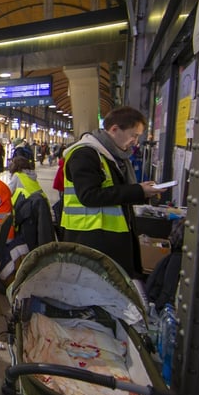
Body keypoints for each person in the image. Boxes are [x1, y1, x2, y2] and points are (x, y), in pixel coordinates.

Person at [60, 106, 165, 275]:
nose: (136, 142)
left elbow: (114, 191)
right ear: (115, 129)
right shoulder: (85, 154)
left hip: (107, 239)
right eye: (134, 135)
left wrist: (142, 191)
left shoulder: (111, 156)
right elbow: (89, 195)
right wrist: (138, 191)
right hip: (91, 240)